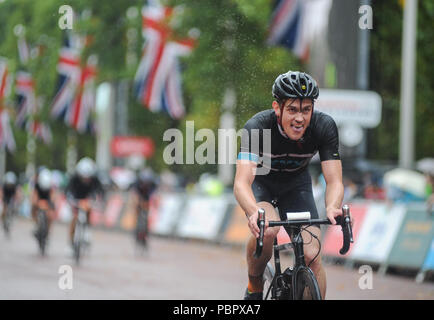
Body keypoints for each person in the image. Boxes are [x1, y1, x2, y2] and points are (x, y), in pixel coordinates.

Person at [233, 70, 344, 300]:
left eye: (306, 110)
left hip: (296, 185)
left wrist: (333, 206)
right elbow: (242, 183)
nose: (300, 118)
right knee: (269, 228)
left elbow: (334, 181)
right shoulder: (257, 127)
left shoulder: (324, 126)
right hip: (262, 184)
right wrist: (254, 212)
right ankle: (254, 285)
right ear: (277, 107)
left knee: (312, 255)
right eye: (292, 109)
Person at [65, 157, 104, 247]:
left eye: (88, 178)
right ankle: (71, 242)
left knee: (88, 212)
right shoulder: (74, 179)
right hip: (76, 197)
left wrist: (100, 200)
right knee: (74, 218)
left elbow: (101, 190)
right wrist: (70, 199)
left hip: (87, 198)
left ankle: (87, 230)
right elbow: (67, 190)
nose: (86, 180)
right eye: (83, 177)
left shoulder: (94, 179)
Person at [31, 168, 56, 238]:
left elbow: (53, 197)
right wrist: (36, 203)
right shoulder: (37, 185)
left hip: (47, 199)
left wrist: (50, 204)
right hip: (39, 199)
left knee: (50, 215)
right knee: (34, 208)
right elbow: (34, 196)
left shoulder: (51, 187)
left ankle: (48, 229)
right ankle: (36, 224)